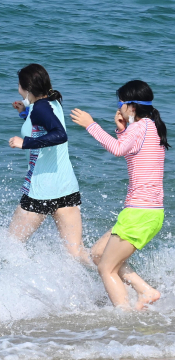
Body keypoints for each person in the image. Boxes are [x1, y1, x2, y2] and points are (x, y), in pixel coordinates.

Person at [71, 80, 168, 310]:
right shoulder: (150, 126)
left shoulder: (141, 126)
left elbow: (117, 149)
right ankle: (145, 291)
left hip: (140, 212)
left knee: (106, 268)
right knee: (97, 254)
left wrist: (90, 125)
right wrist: (122, 129)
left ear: (131, 106)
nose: (118, 108)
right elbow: (131, 152)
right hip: (146, 212)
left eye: (120, 103)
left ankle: (124, 320)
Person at [8, 64, 90, 265]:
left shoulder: (40, 109)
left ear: (26, 88)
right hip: (66, 189)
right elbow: (44, 123)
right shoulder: (53, 102)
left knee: (11, 246)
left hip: (41, 191)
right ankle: (118, 275)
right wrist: (23, 112)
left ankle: (25, 292)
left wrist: (24, 143)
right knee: (77, 253)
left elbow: (60, 134)